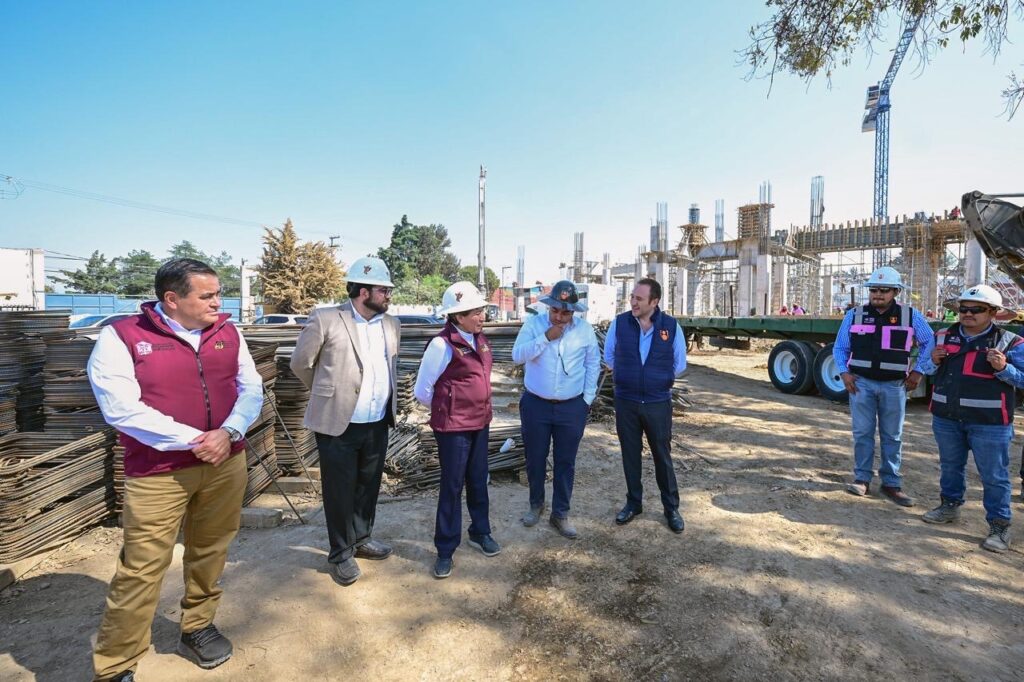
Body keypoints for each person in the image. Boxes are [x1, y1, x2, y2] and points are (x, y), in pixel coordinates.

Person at [87, 258, 264, 681]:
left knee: (211, 549)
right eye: (207, 296)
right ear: (172, 298)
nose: (218, 303)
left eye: (219, 294)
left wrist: (229, 432)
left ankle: (197, 625)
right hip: (159, 472)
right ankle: (115, 664)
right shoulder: (122, 337)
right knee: (142, 567)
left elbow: (251, 387)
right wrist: (197, 440)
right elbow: (121, 409)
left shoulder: (228, 332)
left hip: (225, 463)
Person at [290, 256, 401, 586]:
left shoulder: (391, 324)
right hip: (338, 423)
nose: (389, 295)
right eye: (384, 290)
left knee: (368, 484)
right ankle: (340, 553)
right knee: (339, 490)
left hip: (377, 420)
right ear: (364, 292)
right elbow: (300, 363)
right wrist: (328, 393)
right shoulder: (326, 319)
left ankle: (362, 538)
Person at [919, 284, 1023, 552]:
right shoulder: (942, 336)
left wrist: (1004, 368)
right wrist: (933, 361)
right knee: (950, 466)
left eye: (976, 309)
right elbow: (924, 368)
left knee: (994, 475)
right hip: (947, 417)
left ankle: (999, 526)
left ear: (993, 312)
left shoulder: (1010, 342)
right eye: (964, 309)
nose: (968, 313)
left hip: (990, 422)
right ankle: (949, 507)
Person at [414, 281, 500, 578]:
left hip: (480, 423)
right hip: (453, 429)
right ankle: (445, 549)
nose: (481, 316)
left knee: (478, 480)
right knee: (452, 486)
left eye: (481, 310)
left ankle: (480, 531)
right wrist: (448, 409)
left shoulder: (480, 340)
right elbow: (423, 391)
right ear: (457, 316)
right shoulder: (442, 345)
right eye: (475, 312)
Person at [832, 266, 934, 507]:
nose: (878, 294)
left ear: (896, 292)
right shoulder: (854, 315)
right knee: (862, 433)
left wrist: (919, 371)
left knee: (892, 436)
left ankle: (891, 483)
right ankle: (862, 479)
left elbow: (930, 342)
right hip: (861, 384)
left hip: (894, 386)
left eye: (884, 290)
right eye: (874, 289)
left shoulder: (910, 316)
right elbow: (840, 347)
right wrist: (844, 372)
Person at [511, 280, 601, 539]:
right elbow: (517, 355)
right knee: (535, 458)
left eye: (565, 312)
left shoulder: (584, 331)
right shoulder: (534, 325)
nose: (559, 317)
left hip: (572, 407)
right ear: (548, 307)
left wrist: (587, 399)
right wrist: (545, 338)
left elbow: (592, 364)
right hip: (536, 405)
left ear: (574, 311)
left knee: (565, 462)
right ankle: (536, 504)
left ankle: (560, 513)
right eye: (555, 311)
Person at [604, 278, 687, 533]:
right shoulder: (619, 324)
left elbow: (679, 363)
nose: (633, 302)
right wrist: (628, 376)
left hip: (657, 403)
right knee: (630, 454)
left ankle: (671, 508)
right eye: (632, 297)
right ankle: (634, 503)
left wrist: (657, 379)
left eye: (639, 298)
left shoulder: (670, 326)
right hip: (626, 402)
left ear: (654, 301)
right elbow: (609, 356)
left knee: (662, 455)